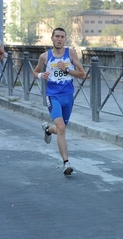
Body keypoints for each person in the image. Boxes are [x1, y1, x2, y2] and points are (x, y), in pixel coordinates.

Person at [33, 27, 86, 176]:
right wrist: (41, 75)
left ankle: (48, 129)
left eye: (62, 36)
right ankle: (66, 163)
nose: (59, 39)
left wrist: (67, 70)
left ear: (65, 39)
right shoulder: (45, 56)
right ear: (52, 38)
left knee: (61, 129)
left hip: (68, 96)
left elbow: (82, 74)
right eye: (57, 36)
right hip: (53, 95)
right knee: (61, 127)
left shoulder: (71, 53)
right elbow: (35, 72)